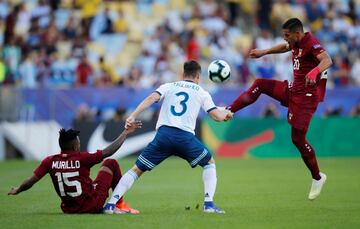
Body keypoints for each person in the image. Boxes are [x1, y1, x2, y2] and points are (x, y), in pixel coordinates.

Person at [103, 60, 233, 214]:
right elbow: (216, 116)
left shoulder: (169, 86)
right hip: (185, 138)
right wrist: (227, 115)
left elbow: (151, 98)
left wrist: (132, 115)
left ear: (183, 74)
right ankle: (209, 204)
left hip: (163, 136)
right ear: (198, 76)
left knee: (136, 169)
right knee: (209, 163)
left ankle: (110, 205)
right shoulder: (201, 92)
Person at [227, 18, 332, 200]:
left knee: (297, 139)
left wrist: (315, 71)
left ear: (297, 34)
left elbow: (327, 60)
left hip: (306, 98)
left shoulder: (311, 43)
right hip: (293, 90)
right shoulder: (295, 42)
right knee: (261, 84)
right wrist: (264, 52)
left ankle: (317, 177)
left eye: (287, 36)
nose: (285, 39)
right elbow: (285, 47)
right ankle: (229, 110)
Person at [8, 123, 142, 214]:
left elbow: (30, 181)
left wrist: (18, 189)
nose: (79, 144)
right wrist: (126, 132)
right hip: (92, 204)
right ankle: (118, 205)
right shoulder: (82, 158)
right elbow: (109, 151)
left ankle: (116, 205)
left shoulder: (49, 161)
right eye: (78, 142)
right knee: (110, 163)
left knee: (94, 179)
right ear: (74, 147)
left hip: (69, 209)